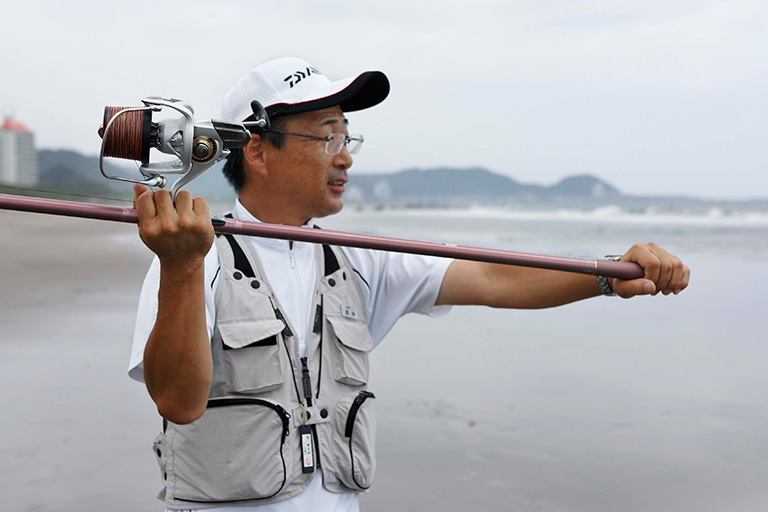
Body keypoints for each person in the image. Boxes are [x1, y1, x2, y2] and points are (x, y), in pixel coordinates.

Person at [129, 57, 690, 511]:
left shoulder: (359, 260)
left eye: (349, 138)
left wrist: (609, 273)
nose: (345, 157)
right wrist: (180, 267)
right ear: (257, 148)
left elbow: (494, 276)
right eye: (327, 137)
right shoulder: (191, 256)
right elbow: (177, 402)